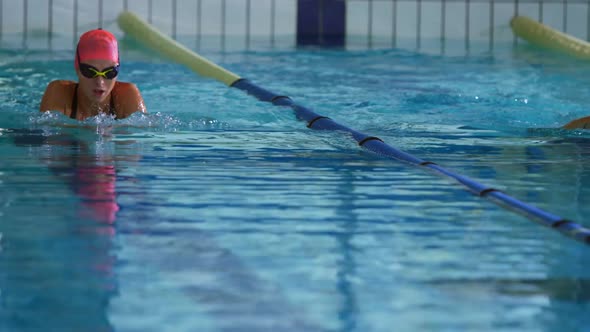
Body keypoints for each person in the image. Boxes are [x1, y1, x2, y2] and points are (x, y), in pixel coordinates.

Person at [40, 29, 146, 120]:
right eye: (90, 71)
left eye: (109, 72)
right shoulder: (59, 93)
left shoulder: (128, 96)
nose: (100, 81)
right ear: (77, 69)